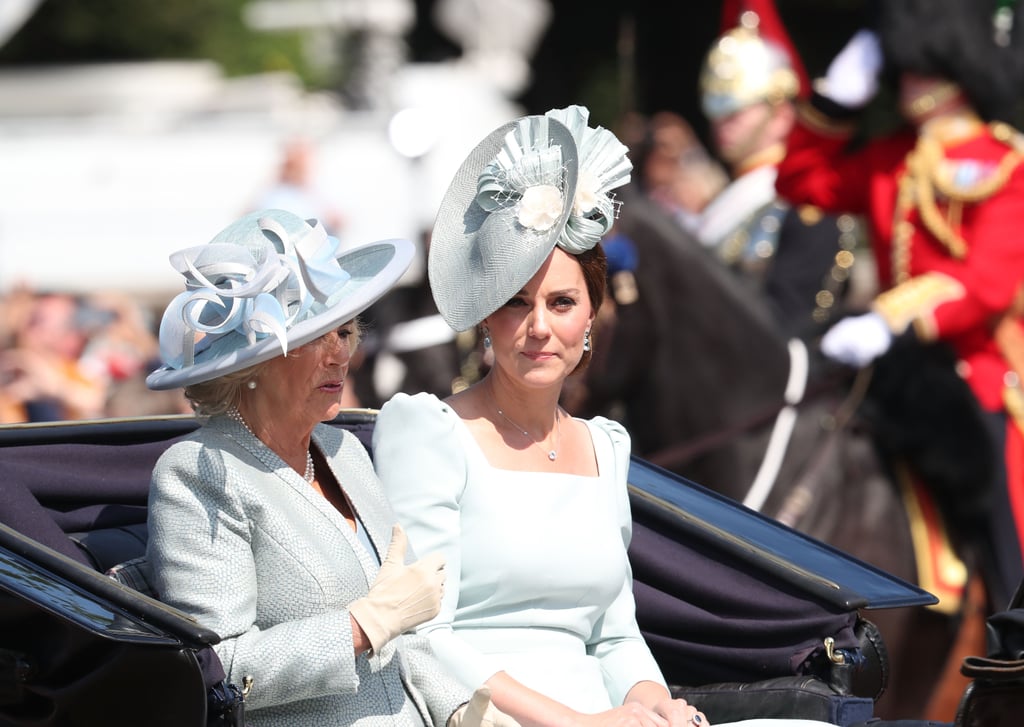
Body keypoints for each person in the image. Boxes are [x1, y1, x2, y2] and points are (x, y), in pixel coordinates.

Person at [373, 106, 842, 727]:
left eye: (561, 302)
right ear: (486, 317)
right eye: (515, 304)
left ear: (592, 318)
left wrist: (657, 704)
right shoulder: (428, 430)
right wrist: (578, 723)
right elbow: (425, 637)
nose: (539, 327)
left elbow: (617, 637)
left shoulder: (605, 445)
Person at [143, 209, 512, 726]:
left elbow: (402, 640)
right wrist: (361, 626)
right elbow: (218, 670)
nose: (341, 355)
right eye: (317, 336)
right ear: (255, 360)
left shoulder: (345, 452)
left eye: (345, 332)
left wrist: (460, 710)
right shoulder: (200, 471)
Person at [774, 0, 1024, 611]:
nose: (906, 81)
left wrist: (891, 318)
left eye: (915, 68)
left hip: (980, 368)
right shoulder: (891, 159)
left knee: (997, 483)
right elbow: (801, 182)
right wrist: (834, 104)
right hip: (894, 367)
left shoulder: (1004, 163)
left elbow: (987, 285)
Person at [696, 8, 866, 340]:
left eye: (737, 111)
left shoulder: (803, 205)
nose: (722, 123)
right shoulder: (724, 201)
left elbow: (794, 320)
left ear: (782, 114)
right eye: (717, 111)